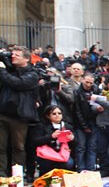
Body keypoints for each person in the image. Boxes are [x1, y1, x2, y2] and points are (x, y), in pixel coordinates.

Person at [0, 46, 40, 176]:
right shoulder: (9, 69)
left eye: (17, 55)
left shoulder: (32, 74)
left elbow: (17, 83)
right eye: (12, 54)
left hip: (19, 116)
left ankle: (17, 177)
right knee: (1, 147)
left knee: (18, 147)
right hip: (3, 113)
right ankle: (2, 175)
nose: (13, 57)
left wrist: (2, 70)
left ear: (26, 59)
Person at [32, 105, 75, 175]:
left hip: (63, 154)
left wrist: (72, 139)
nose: (57, 115)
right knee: (47, 163)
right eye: (54, 114)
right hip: (47, 154)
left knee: (68, 163)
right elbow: (35, 141)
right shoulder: (41, 126)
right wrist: (51, 136)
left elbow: (75, 144)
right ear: (48, 116)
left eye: (59, 113)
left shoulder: (68, 126)